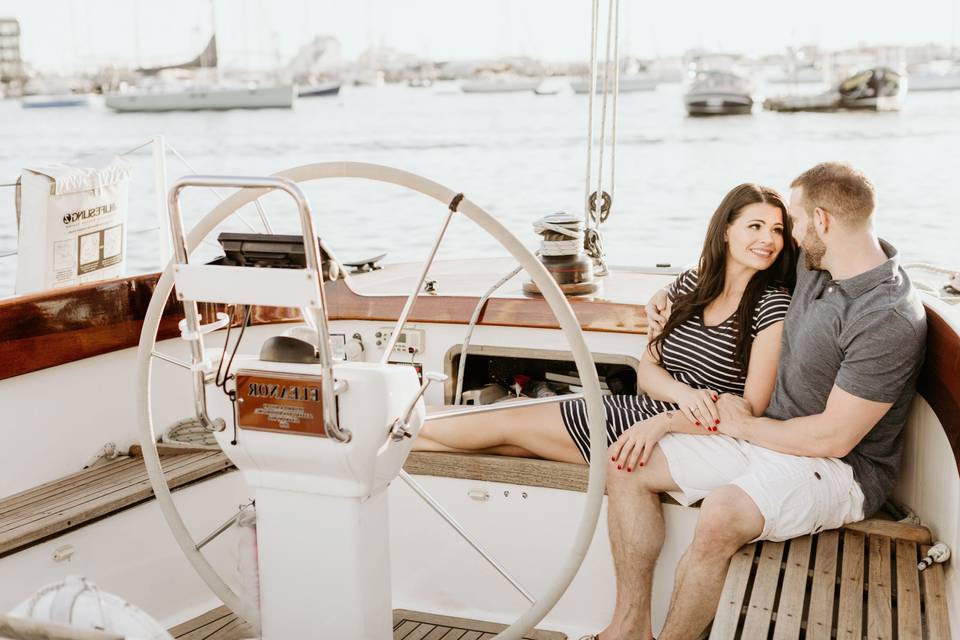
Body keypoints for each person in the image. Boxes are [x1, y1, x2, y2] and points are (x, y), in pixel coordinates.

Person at [588, 162, 927, 640]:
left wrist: (738, 424)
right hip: (769, 438)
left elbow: (832, 437)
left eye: (793, 219)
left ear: (822, 221)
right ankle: (627, 629)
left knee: (722, 512)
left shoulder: (886, 315)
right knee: (626, 461)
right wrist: (665, 293)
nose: (786, 232)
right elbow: (730, 265)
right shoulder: (817, 263)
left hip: (842, 468)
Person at [414, 182, 798, 471]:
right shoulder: (689, 286)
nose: (768, 239)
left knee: (512, 421)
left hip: (691, 436)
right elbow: (648, 372)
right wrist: (681, 394)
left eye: (778, 230)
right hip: (646, 409)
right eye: (756, 226)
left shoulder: (771, 305)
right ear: (726, 230)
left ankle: (392, 429)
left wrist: (668, 421)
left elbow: (749, 410)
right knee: (510, 436)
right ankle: (396, 433)